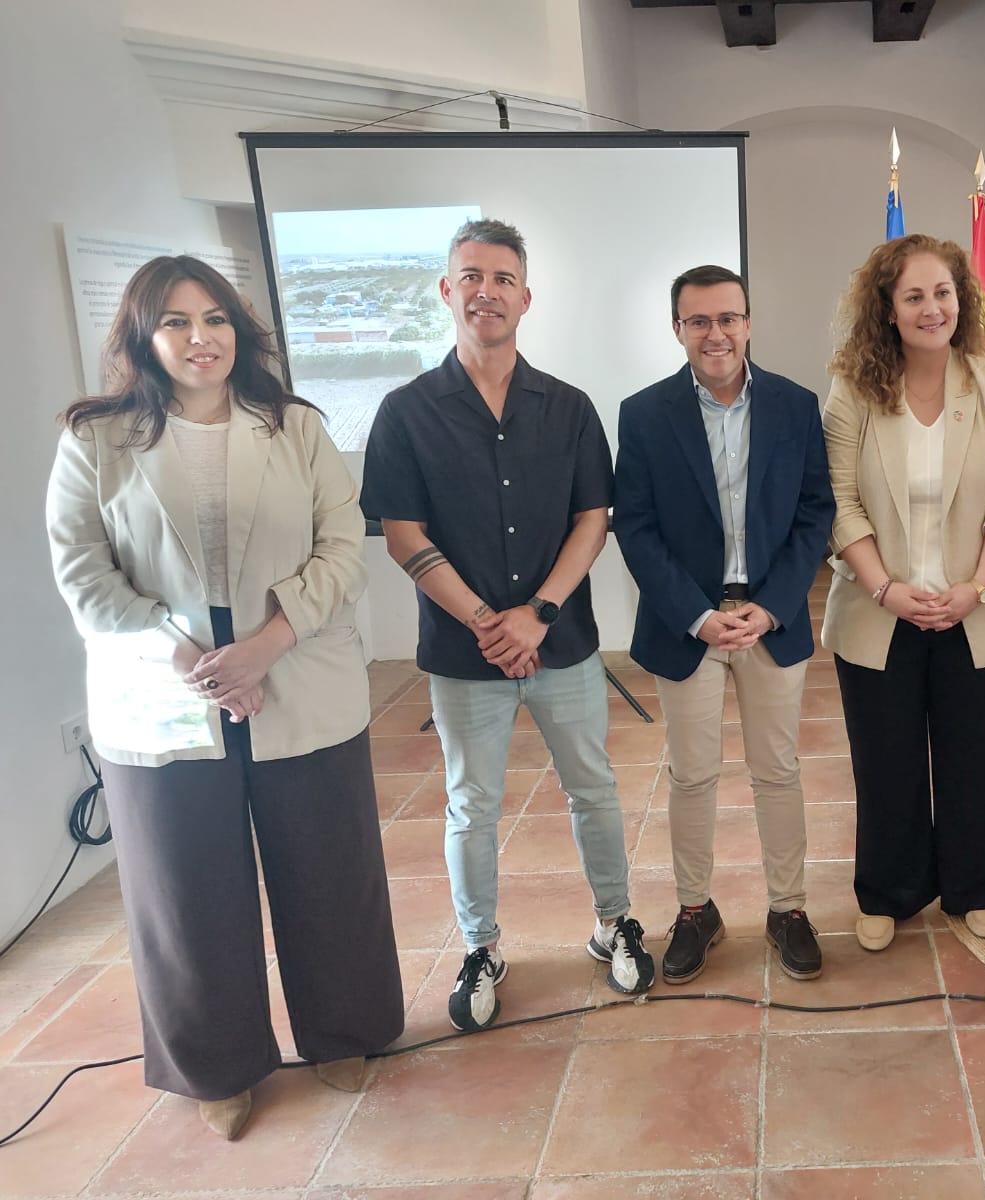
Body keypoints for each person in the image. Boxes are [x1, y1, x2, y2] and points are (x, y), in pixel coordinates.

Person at [44, 256, 403, 1140]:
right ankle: (217, 1066)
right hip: (163, 695)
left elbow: (342, 550)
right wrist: (185, 658)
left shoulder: (296, 426)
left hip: (296, 676)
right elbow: (84, 574)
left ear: (240, 332)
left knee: (329, 871)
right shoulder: (95, 440)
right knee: (185, 891)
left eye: (215, 319)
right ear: (143, 335)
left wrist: (267, 644)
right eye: (176, 321)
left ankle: (345, 1032)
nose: (200, 337)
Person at [361, 219, 653, 1032]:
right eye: (471, 276)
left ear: (526, 297)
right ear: (446, 291)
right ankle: (481, 947)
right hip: (465, 653)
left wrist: (538, 614)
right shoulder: (405, 412)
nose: (486, 291)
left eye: (502, 278)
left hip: (563, 642)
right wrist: (491, 623)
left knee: (593, 788)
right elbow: (402, 534)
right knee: (472, 805)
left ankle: (614, 922)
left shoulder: (569, 407)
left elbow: (593, 519)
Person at [613, 265, 834, 982]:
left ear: (748, 323)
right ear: (678, 329)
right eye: (699, 321)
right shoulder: (644, 414)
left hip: (772, 618)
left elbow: (815, 513)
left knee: (778, 771)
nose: (716, 334)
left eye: (728, 318)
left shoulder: (796, 406)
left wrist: (772, 606)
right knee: (692, 776)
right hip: (688, 624)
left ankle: (788, 909)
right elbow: (636, 528)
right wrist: (699, 616)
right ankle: (694, 909)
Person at [820, 233, 985, 951]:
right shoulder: (853, 389)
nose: (931, 307)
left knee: (976, 758)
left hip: (979, 611)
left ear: (961, 301)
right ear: (887, 309)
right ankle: (890, 891)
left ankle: (978, 885)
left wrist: (976, 587)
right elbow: (839, 502)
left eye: (942, 292)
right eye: (913, 296)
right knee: (886, 764)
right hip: (878, 611)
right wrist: (885, 588)